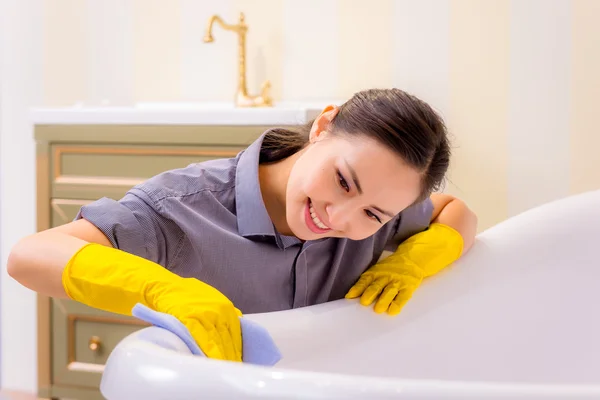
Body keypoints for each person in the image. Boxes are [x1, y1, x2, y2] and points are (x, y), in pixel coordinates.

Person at [8, 88, 477, 363]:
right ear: (323, 126)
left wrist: (411, 265)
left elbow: (456, 212)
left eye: (374, 215)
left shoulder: (377, 211)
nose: (338, 217)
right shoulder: (183, 207)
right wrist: (165, 290)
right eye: (342, 181)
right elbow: (29, 255)